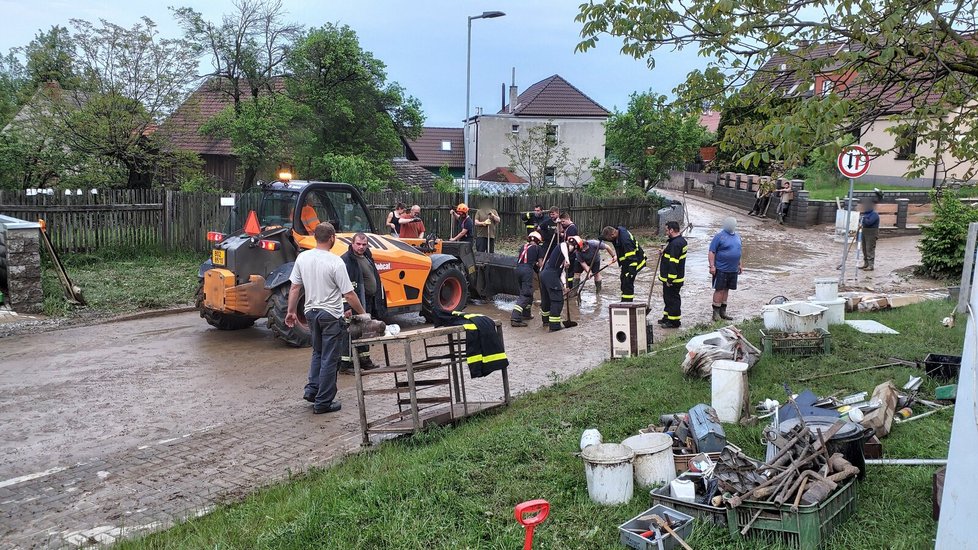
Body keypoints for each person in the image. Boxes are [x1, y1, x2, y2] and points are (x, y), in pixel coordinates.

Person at [286, 222, 366, 414]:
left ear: (315, 237)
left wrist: (290, 311)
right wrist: (363, 313)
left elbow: (295, 287)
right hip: (330, 315)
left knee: (318, 353)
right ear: (332, 238)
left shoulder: (302, 258)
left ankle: (312, 390)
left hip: (311, 313)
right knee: (330, 358)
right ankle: (323, 402)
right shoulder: (335, 262)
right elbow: (349, 294)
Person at [339, 232, 388, 371]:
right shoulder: (346, 260)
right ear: (352, 243)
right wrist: (346, 305)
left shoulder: (367, 256)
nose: (361, 247)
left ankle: (364, 360)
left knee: (366, 331)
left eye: (364, 244)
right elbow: (343, 286)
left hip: (368, 300)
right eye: (358, 244)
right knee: (350, 331)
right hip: (355, 301)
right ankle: (346, 364)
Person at [539, 235, 577, 332]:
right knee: (558, 300)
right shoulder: (563, 246)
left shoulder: (561, 257)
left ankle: (546, 321)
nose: (574, 251)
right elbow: (563, 245)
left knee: (546, 299)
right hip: (550, 276)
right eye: (575, 249)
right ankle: (555, 326)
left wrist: (564, 286)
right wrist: (567, 259)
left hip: (545, 276)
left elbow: (562, 273)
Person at [600, 225, 647, 302]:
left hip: (635, 262)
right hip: (626, 262)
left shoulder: (625, 240)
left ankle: (628, 303)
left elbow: (632, 257)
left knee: (628, 282)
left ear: (612, 234)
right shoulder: (618, 231)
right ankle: (624, 300)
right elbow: (612, 239)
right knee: (623, 279)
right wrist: (603, 238)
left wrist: (631, 272)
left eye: (608, 238)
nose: (609, 240)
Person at [708, 217, 743, 322]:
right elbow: (711, 252)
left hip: (733, 269)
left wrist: (740, 264)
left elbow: (738, 251)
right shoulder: (719, 237)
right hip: (721, 269)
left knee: (727, 289)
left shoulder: (737, 236)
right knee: (720, 289)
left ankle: (723, 312)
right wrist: (712, 266)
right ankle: (716, 314)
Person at [658, 221, 688, 328]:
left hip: (672, 279)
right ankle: (667, 317)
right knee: (667, 298)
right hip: (671, 277)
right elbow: (672, 254)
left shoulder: (676, 244)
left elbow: (673, 263)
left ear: (671, 230)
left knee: (673, 299)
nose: (666, 232)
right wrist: (664, 252)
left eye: (667, 230)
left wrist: (670, 280)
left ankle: (674, 321)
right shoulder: (677, 241)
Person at [511, 231, 544, 327]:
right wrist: (537, 264)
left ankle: (526, 313)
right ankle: (515, 318)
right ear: (538, 241)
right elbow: (540, 264)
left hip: (518, 269)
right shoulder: (538, 248)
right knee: (526, 294)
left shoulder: (523, 247)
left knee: (528, 292)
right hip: (527, 271)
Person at [559, 212, 580, 288]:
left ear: (568, 219)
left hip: (570, 254)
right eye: (561, 222)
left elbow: (571, 245)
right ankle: (567, 286)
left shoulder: (572, 228)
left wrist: (566, 257)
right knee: (566, 271)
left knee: (569, 272)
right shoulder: (568, 227)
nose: (562, 223)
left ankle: (569, 287)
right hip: (568, 253)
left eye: (563, 221)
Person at [859, 198, 880, 271]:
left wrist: (863, 218)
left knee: (869, 249)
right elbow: (862, 222)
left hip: (872, 233)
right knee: (864, 248)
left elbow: (869, 222)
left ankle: (871, 265)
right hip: (864, 232)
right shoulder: (865, 214)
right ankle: (866, 263)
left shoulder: (874, 214)